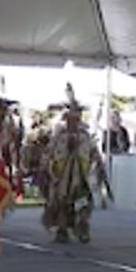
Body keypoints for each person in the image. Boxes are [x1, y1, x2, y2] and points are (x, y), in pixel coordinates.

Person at [42, 103, 101, 243]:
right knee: (61, 203)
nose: (73, 121)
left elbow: (94, 153)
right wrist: (45, 168)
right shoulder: (59, 136)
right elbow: (49, 153)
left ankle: (82, 228)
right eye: (70, 118)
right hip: (62, 176)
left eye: (76, 117)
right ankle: (62, 230)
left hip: (82, 175)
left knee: (84, 203)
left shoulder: (85, 136)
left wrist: (98, 166)